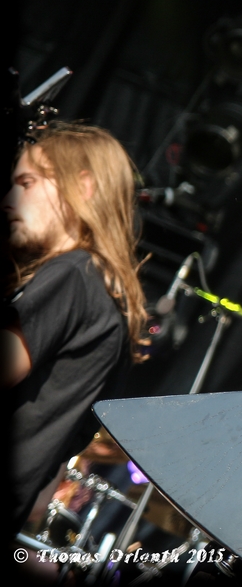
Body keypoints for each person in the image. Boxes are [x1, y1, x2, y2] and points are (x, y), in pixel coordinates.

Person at [3, 123, 147, 536]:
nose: (10, 199)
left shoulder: (71, 274)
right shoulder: (107, 298)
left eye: (27, 183)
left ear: (83, 187)